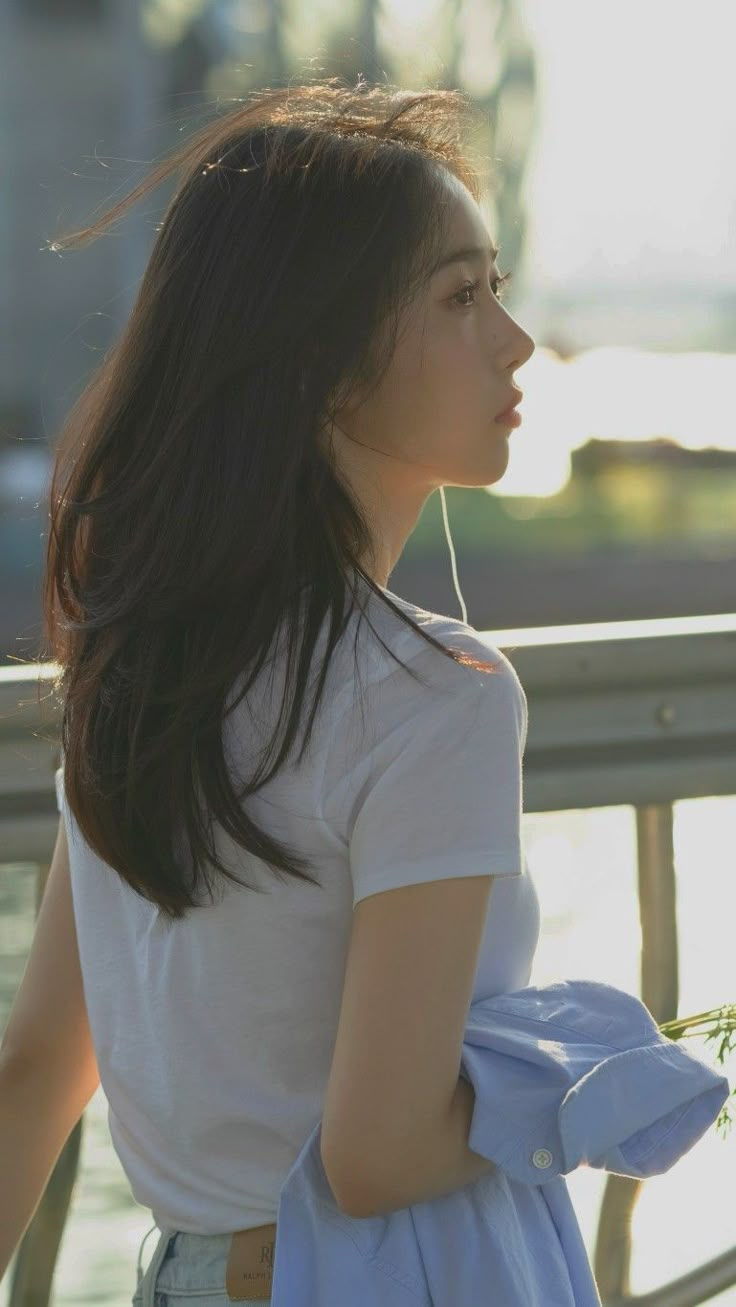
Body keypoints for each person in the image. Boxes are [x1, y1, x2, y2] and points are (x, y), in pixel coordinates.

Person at [20, 77, 537, 1303]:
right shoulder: (441, 695)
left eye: (496, 290)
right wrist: (580, 1080)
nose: (511, 340)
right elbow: (376, 1154)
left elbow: (39, 1066)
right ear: (323, 357)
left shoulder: (136, 666)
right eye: (461, 296)